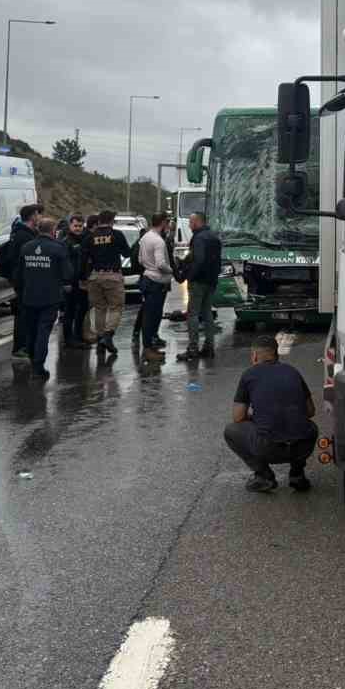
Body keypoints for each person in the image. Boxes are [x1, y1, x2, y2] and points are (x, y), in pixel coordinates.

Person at [223, 335, 318, 492]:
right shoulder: (293, 372)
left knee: (232, 430)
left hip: (269, 448)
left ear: (254, 355)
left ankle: (264, 476)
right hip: (302, 446)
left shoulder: (249, 375)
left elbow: (238, 417)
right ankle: (297, 474)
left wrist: (257, 418)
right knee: (310, 427)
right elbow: (310, 411)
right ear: (277, 354)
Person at [16, 215, 70, 380]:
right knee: (43, 332)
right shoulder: (58, 248)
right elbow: (68, 273)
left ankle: (34, 361)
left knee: (31, 331)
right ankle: (38, 367)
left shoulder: (26, 248)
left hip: (29, 296)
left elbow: (18, 274)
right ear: (53, 231)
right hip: (50, 298)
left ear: (38, 229)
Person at [84, 210, 132, 357]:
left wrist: (83, 277)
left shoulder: (90, 237)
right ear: (112, 221)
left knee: (99, 308)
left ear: (98, 221)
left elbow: (83, 258)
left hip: (95, 276)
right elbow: (127, 254)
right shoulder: (116, 235)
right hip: (112, 275)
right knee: (116, 307)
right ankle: (108, 335)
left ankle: (100, 338)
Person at [2, 203, 42, 358]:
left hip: (26, 281)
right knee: (23, 315)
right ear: (32, 216)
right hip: (24, 281)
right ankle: (20, 347)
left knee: (27, 314)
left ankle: (26, 345)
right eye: (38, 214)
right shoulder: (23, 236)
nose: (40, 217)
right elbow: (17, 260)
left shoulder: (27, 233)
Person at [182, 211, 222, 360]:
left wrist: (189, 276)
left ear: (198, 222)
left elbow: (198, 260)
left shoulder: (198, 238)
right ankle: (209, 347)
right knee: (207, 313)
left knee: (192, 314)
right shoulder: (214, 237)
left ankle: (193, 348)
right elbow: (217, 260)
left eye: (191, 222)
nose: (189, 225)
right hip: (211, 281)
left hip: (198, 281)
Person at [135, 212, 174, 354]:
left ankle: (150, 340)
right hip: (156, 281)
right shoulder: (158, 241)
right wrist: (171, 271)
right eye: (167, 222)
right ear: (163, 223)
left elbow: (139, 259)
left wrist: (148, 265)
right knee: (153, 313)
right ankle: (148, 344)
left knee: (149, 312)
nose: (168, 225)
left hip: (147, 278)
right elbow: (161, 264)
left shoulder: (145, 237)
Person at [62, 215, 90, 348]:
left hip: (83, 281)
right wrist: (66, 282)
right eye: (75, 226)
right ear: (70, 226)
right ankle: (68, 339)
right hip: (71, 282)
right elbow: (64, 263)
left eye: (80, 226)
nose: (78, 228)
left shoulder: (86, 239)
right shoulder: (66, 242)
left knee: (83, 309)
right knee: (70, 311)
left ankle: (79, 335)